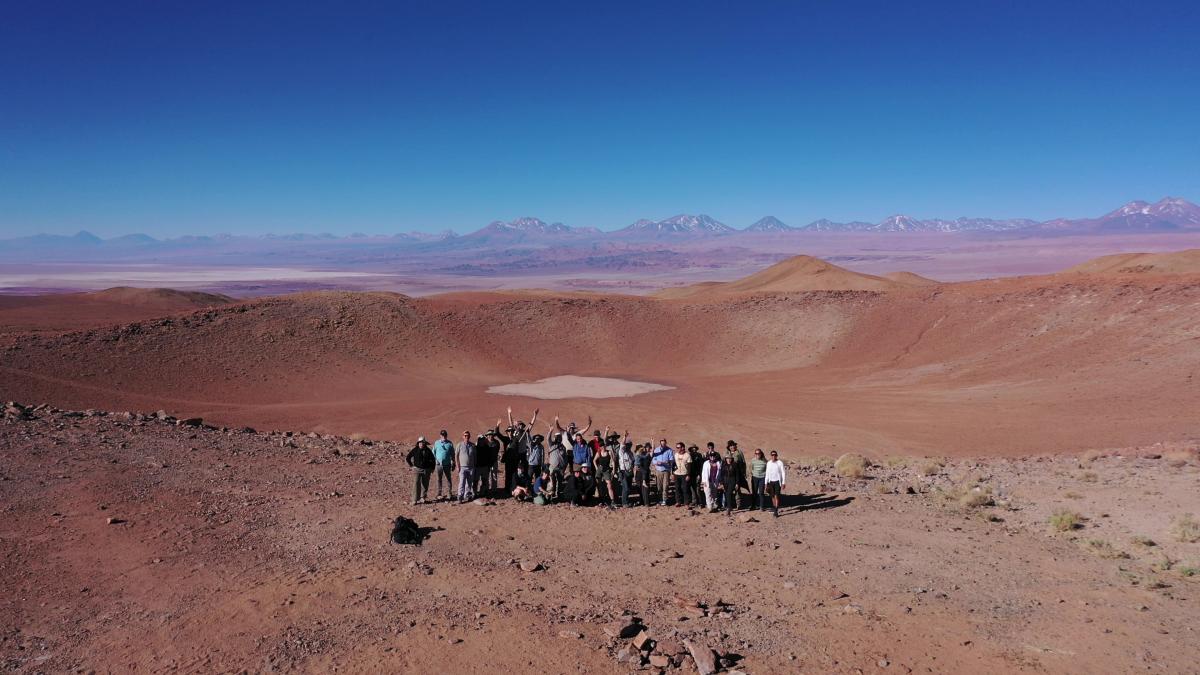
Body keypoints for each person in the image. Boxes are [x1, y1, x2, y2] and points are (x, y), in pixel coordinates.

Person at [405, 437, 436, 504]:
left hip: (426, 469)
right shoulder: (415, 450)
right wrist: (412, 466)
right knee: (416, 483)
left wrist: (432, 468)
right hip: (417, 469)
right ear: (418, 443)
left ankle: (423, 497)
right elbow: (408, 458)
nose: (421, 444)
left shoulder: (428, 450)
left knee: (425, 484)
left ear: (424, 443)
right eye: (420, 443)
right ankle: (415, 499)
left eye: (422, 443)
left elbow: (433, 460)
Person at [496, 424, 522, 493]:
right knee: (508, 475)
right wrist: (497, 426)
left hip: (514, 461)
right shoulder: (505, 439)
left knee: (514, 476)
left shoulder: (516, 439)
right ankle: (507, 489)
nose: (510, 432)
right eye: (509, 431)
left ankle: (513, 490)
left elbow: (519, 436)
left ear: (513, 432)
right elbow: (498, 434)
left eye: (511, 431)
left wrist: (517, 428)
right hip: (508, 461)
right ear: (507, 432)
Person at [474, 429, 499, 499]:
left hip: (489, 464)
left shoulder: (493, 444)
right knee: (480, 479)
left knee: (489, 478)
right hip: (481, 465)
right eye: (489, 435)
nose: (490, 436)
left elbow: (492, 455)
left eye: (491, 435)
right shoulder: (478, 446)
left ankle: (489, 490)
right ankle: (481, 491)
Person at [432, 429, 455, 501]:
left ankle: (449, 493)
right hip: (439, 465)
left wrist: (453, 462)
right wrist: (435, 460)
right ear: (440, 435)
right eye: (442, 435)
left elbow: (453, 454)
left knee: (448, 479)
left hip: (447, 464)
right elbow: (433, 453)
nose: (444, 436)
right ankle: (439, 493)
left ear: (446, 435)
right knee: (439, 479)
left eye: (445, 435)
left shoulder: (450, 443)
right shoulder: (436, 443)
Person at [455, 430, 476, 503]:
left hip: (471, 467)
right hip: (462, 467)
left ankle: (466, 495)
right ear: (463, 436)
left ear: (469, 436)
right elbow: (456, 456)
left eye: (468, 435)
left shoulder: (473, 445)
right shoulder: (459, 445)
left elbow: (475, 456)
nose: (466, 437)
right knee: (462, 481)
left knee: (469, 483)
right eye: (465, 435)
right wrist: (457, 466)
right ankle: (460, 496)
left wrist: (474, 466)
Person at [592, 438, 615, 507]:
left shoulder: (609, 452)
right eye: (601, 446)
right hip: (600, 469)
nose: (603, 447)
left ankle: (612, 501)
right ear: (600, 447)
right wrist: (597, 468)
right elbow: (594, 461)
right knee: (599, 485)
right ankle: (601, 500)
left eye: (604, 446)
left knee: (609, 485)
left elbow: (613, 461)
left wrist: (613, 470)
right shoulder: (599, 452)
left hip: (606, 470)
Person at [726, 441, 748, 509]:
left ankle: (738, 504)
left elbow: (744, 463)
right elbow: (724, 462)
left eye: (733, 445)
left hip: (738, 474)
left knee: (737, 489)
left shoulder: (739, 452)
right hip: (729, 475)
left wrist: (744, 472)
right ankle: (731, 504)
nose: (732, 447)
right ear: (729, 447)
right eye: (731, 446)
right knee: (729, 490)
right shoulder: (726, 453)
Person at [546, 430, 567, 500]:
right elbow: (548, 438)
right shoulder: (552, 445)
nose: (558, 439)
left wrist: (564, 467)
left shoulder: (563, 447)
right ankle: (552, 493)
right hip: (552, 466)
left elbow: (565, 458)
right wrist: (551, 431)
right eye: (557, 437)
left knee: (560, 481)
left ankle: (558, 494)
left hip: (561, 467)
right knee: (552, 480)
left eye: (560, 437)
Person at [651, 439, 673, 506]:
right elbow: (653, 459)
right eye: (661, 444)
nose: (663, 445)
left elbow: (671, 460)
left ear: (666, 443)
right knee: (659, 486)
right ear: (660, 444)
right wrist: (656, 462)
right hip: (658, 470)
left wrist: (665, 462)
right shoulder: (656, 450)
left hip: (666, 470)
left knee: (665, 486)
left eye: (664, 444)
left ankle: (664, 500)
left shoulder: (669, 450)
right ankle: (659, 499)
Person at [765, 450, 786, 517]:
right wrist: (766, 483)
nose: (773, 456)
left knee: (777, 495)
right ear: (771, 456)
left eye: (775, 455)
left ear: (776, 455)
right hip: (771, 481)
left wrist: (783, 483)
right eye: (772, 455)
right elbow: (767, 473)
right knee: (772, 496)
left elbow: (783, 473)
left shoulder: (780, 463)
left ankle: (776, 510)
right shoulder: (768, 463)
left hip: (777, 481)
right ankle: (774, 507)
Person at [616, 437, 635, 507]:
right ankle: (624, 503)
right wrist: (625, 436)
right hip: (623, 472)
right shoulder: (621, 452)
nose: (629, 446)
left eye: (630, 445)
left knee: (629, 488)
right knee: (625, 488)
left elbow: (633, 462)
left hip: (630, 472)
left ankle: (626, 501)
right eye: (628, 445)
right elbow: (622, 444)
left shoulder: (631, 453)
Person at [672, 442, 691, 507]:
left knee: (685, 488)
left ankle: (686, 503)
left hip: (684, 474)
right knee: (677, 488)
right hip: (676, 473)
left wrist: (688, 475)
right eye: (676, 447)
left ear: (683, 447)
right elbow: (673, 465)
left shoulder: (687, 455)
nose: (677, 449)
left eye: (678, 447)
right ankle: (678, 502)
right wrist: (672, 474)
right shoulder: (676, 455)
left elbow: (689, 466)